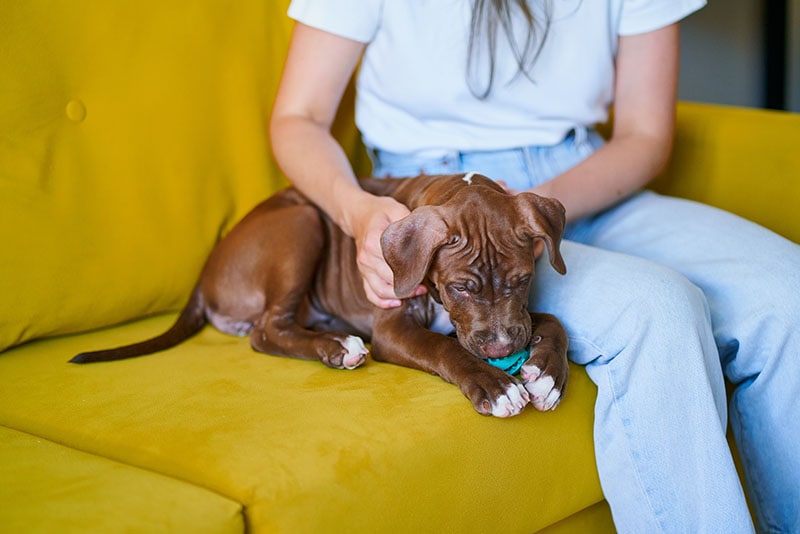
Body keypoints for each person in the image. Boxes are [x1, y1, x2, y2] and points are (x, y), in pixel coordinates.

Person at [269, 1, 800, 531]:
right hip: (435, 204)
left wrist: (522, 214)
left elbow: (645, 133)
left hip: (583, 181)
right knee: (659, 310)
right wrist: (357, 212)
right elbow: (300, 118)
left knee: (788, 293)